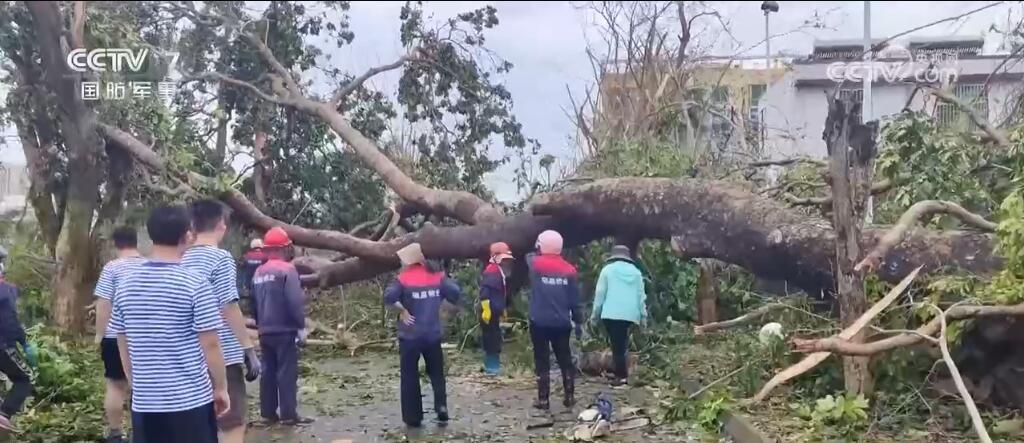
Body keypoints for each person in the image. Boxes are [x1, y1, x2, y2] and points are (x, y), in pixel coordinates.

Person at [108, 205, 229, 443]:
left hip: (146, 405)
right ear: (187, 235)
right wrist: (221, 387)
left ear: (150, 234)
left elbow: (123, 342)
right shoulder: (195, 283)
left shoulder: (125, 285)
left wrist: (137, 384)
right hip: (190, 401)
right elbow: (211, 344)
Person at [183, 200, 262, 443]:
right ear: (221, 225)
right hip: (223, 354)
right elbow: (228, 306)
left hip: (187, 357)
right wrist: (248, 348)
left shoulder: (180, 258)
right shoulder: (220, 259)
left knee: (198, 424)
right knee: (232, 423)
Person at [384, 243, 461, 428]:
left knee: (409, 376)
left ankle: (413, 417)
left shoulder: (403, 279)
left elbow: (389, 297)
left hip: (410, 335)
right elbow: (455, 293)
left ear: (408, 262)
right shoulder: (437, 276)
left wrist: (402, 310)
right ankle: (441, 406)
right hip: (432, 334)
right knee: (437, 373)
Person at [252, 227, 313, 426]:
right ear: (284, 248)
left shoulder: (258, 272)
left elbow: (253, 303)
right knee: (286, 373)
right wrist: (300, 326)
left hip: (264, 331)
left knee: (268, 372)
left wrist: (259, 324)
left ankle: (268, 414)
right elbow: (294, 301)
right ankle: (288, 415)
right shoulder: (288, 270)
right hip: (285, 330)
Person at [93, 226, 145, 443]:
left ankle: (116, 433)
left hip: (115, 335)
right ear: (136, 242)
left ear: (115, 244)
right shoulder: (149, 266)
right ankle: (140, 432)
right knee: (143, 386)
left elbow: (104, 304)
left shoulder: (112, 268)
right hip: (145, 337)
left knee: (115, 385)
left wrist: (99, 334)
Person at [526, 230, 583, 411]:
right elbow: (574, 300)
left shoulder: (534, 264)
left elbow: (529, 254)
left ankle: (543, 399)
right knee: (565, 358)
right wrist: (579, 321)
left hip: (539, 321)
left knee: (541, 360)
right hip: (562, 322)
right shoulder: (570, 270)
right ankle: (569, 396)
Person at [590, 245, 647, 387]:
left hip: (611, 313)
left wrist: (594, 316)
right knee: (620, 342)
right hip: (630, 314)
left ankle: (621, 376)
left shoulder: (607, 270)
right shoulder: (636, 273)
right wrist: (643, 318)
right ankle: (620, 373)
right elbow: (641, 297)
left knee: (618, 345)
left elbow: (600, 295)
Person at [0, 265, 36, 433]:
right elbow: (10, 322)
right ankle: (4, 414)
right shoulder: (6, 291)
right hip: (3, 345)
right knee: (25, 378)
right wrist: (24, 343)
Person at [480, 242, 513, 376]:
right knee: (491, 339)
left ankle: (493, 365)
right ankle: (491, 367)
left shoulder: (498, 270)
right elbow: (485, 292)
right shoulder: (492, 271)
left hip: (495, 310)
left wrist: (502, 309)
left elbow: (500, 292)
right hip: (489, 312)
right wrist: (486, 309)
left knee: (495, 337)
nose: (506, 262)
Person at [240, 238, 267, 317]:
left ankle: (254, 316)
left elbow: (241, 266)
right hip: (263, 283)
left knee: (253, 302)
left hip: (250, 284)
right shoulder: (265, 256)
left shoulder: (247, 256)